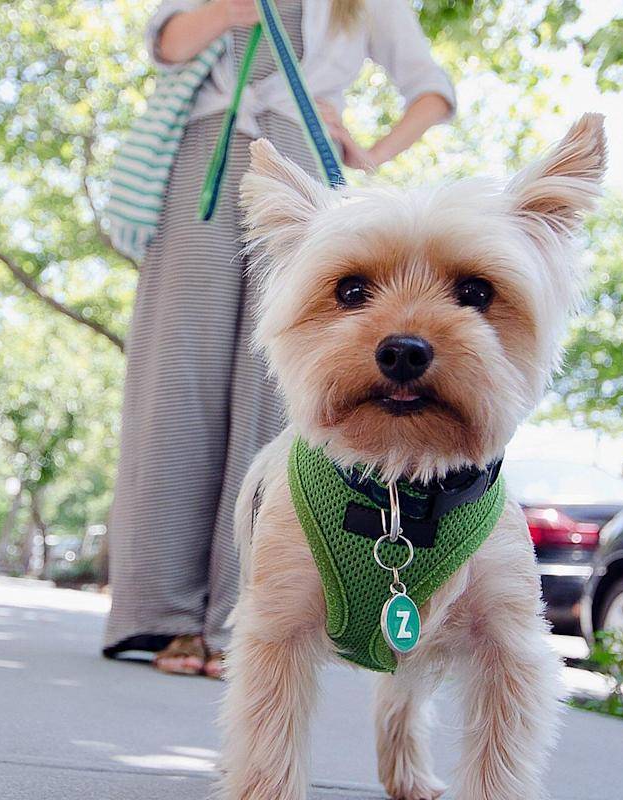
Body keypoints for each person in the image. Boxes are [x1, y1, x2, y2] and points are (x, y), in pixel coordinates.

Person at [103, 0, 456, 678]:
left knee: (283, 389)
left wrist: (371, 150)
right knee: (173, 378)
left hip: (299, 163)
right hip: (201, 152)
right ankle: (163, 615)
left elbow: (432, 89)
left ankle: (245, 619)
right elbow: (168, 43)